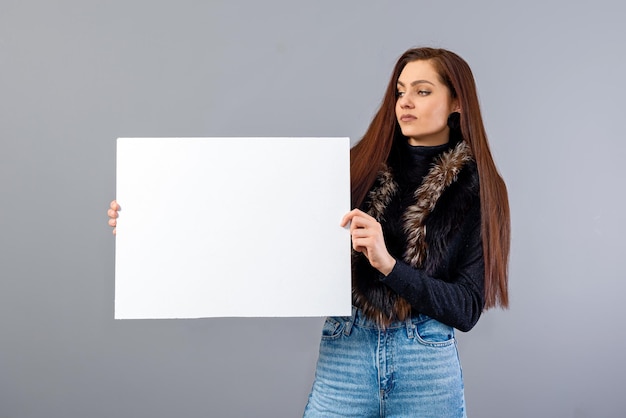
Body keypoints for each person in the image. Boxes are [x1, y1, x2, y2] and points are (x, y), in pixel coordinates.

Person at [107, 46, 510, 418]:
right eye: (400, 90)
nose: (404, 101)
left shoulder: (479, 188)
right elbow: (253, 222)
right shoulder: (352, 168)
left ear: (456, 102)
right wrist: (147, 223)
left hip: (426, 364)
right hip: (347, 348)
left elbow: (466, 308)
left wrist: (389, 265)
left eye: (422, 91)